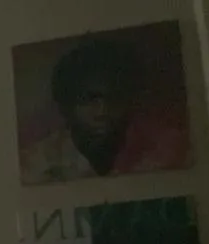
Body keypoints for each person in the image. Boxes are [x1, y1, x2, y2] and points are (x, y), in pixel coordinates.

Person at [20, 39, 188, 184]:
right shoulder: (37, 161)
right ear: (68, 102)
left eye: (114, 96)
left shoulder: (170, 149)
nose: (103, 109)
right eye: (90, 98)